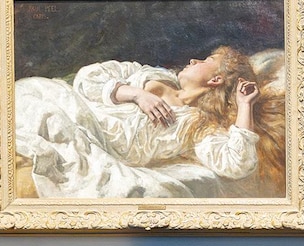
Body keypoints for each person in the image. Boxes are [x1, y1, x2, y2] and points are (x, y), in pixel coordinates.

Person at [15, 46, 285, 198]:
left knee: (48, 127)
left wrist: (245, 105)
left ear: (215, 80)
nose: (193, 59)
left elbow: (237, 163)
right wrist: (137, 94)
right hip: (76, 110)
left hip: (95, 142)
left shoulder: (197, 125)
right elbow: (88, 78)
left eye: (207, 60)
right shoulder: (153, 74)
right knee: (30, 99)